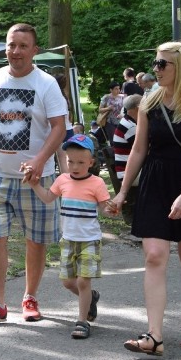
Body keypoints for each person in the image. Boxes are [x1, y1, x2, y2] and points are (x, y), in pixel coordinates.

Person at [110, 41, 181, 357]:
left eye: (162, 64)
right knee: (155, 255)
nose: (155, 69)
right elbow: (139, 150)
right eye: (155, 63)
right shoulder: (148, 101)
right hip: (156, 184)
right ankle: (154, 336)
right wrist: (122, 191)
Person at [0, 23, 67, 323]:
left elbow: (59, 127)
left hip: (36, 178)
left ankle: (30, 297)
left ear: (34, 50)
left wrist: (39, 161)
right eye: (11, 45)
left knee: (36, 241)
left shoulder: (46, 84)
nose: (15, 51)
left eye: (22, 46)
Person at [21, 134, 112, 339]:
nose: (75, 166)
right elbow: (47, 198)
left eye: (81, 162)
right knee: (68, 283)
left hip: (89, 239)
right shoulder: (62, 180)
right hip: (68, 240)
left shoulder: (96, 183)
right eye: (70, 161)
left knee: (82, 282)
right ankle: (91, 298)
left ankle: (82, 321)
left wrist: (111, 210)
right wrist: (35, 184)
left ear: (91, 162)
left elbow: (104, 208)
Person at [112, 94, 142, 225]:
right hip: (129, 172)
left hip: (126, 170)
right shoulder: (131, 127)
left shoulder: (127, 122)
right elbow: (145, 149)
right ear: (137, 108)